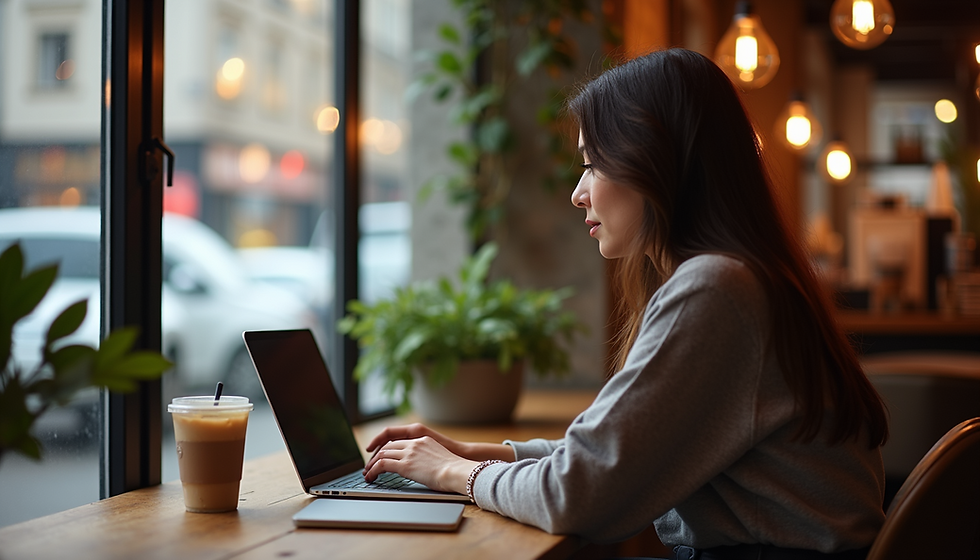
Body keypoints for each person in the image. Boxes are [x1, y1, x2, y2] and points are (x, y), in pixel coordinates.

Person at [362, 48, 888, 560]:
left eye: (593, 164)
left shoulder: (719, 289)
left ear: (655, 161)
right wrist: (485, 454)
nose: (577, 192)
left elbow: (575, 497)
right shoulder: (745, 278)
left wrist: (453, 474)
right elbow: (614, 454)